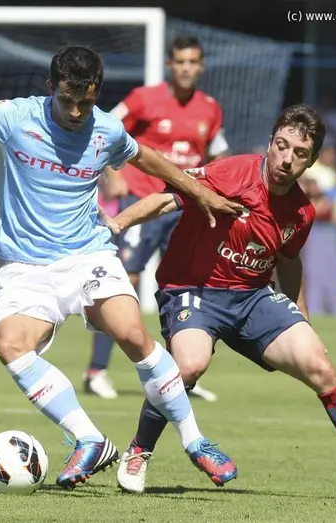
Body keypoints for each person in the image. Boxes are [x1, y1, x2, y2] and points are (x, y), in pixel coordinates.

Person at [0, 45, 243, 490]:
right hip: (26, 266)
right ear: (51, 88)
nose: (78, 111)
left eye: (87, 100)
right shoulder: (13, 117)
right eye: (68, 100)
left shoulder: (106, 128)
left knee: (132, 333)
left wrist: (198, 191)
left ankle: (195, 440)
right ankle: (89, 438)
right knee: (9, 343)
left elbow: (148, 158)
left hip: (88, 255)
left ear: (97, 92)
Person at [101, 104, 336, 500]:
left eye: (299, 154)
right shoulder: (230, 172)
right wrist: (118, 224)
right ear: (271, 142)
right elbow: (168, 199)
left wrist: (303, 321)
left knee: (320, 367)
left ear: (310, 163)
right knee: (189, 365)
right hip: (193, 290)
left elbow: (289, 264)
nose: (287, 159)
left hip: (253, 297)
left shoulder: (302, 212)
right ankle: (139, 450)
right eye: (282, 146)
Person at [85, 36, 229, 402]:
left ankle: (178, 376)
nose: (186, 67)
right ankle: (97, 371)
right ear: (170, 64)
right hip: (142, 205)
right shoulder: (143, 99)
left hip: (183, 208)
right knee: (122, 283)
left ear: (201, 66)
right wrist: (112, 172)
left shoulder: (210, 109)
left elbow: (217, 155)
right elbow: (101, 126)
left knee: (187, 287)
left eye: (193, 61)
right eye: (180, 61)